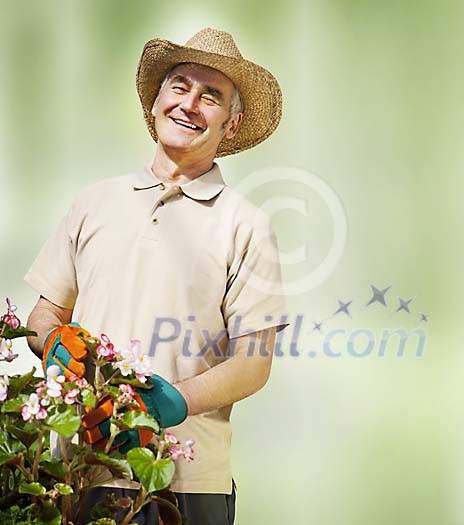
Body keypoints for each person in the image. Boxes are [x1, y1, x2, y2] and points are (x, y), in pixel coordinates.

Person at [24, 27, 288, 524]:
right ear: (156, 102)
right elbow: (44, 313)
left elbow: (254, 362)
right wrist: (55, 340)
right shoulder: (93, 202)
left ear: (231, 126)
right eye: (180, 86)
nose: (190, 104)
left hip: (184, 483)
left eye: (211, 96)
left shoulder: (246, 224)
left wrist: (173, 402)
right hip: (77, 468)